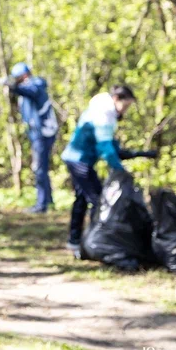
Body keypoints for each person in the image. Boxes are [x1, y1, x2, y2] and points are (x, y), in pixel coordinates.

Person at [61, 85, 137, 257]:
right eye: (126, 105)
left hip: (77, 158)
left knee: (81, 199)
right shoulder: (104, 113)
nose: (126, 110)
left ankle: (74, 241)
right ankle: (95, 243)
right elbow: (104, 146)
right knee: (97, 200)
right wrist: (119, 169)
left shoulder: (101, 109)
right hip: (79, 160)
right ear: (116, 99)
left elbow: (108, 143)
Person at [2, 62, 59, 213]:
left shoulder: (36, 84)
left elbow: (29, 91)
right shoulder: (27, 87)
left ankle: (42, 205)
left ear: (24, 76)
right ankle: (48, 201)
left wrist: (12, 86)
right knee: (41, 168)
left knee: (39, 168)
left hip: (43, 133)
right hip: (36, 133)